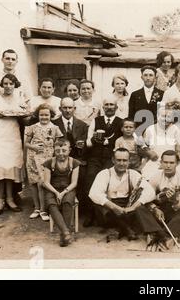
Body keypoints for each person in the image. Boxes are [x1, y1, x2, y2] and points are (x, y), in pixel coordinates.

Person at [89, 148, 168, 245]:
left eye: (125, 160)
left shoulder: (133, 174)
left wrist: (133, 207)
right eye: (119, 160)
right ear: (113, 160)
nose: (122, 163)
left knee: (141, 199)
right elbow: (94, 193)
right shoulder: (105, 174)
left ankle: (157, 232)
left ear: (129, 161)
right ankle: (126, 229)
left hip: (127, 208)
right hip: (109, 211)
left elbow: (150, 191)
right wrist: (114, 207)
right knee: (99, 203)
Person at [0, 74, 24, 215]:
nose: (8, 86)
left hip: (13, 137)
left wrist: (23, 113)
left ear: (15, 85)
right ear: (2, 85)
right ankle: (0, 201)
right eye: (5, 83)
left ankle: (10, 199)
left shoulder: (19, 99)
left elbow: (24, 116)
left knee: (10, 170)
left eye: (11, 84)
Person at [84, 96, 123, 226]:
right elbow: (88, 143)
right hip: (95, 156)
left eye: (112, 105)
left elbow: (130, 137)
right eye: (107, 105)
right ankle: (90, 213)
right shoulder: (96, 121)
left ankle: (105, 215)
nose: (109, 107)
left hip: (111, 158)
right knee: (90, 178)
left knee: (107, 181)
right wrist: (94, 139)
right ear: (103, 107)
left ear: (116, 108)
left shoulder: (121, 122)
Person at [147, 150, 180, 249]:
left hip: (174, 213)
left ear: (177, 164)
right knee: (140, 208)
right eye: (165, 162)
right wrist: (155, 208)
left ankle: (160, 234)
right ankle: (167, 234)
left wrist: (174, 200)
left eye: (171, 163)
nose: (168, 166)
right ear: (161, 162)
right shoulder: (155, 177)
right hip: (159, 212)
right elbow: (147, 199)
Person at [24, 104, 63, 221]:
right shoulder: (32, 127)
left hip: (47, 159)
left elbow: (58, 144)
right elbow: (26, 143)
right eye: (41, 115)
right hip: (32, 158)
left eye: (46, 115)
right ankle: (36, 208)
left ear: (51, 115)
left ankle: (43, 209)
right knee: (33, 183)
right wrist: (34, 147)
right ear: (38, 115)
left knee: (42, 183)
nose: (44, 117)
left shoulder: (55, 128)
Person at [52, 97, 88, 215]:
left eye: (70, 108)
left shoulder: (82, 125)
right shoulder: (54, 124)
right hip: (59, 158)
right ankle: (59, 206)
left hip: (77, 158)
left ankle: (82, 209)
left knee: (83, 174)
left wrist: (81, 147)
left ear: (74, 108)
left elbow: (85, 148)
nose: (67, 110)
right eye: (65, 108)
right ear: (60, 109)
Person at [42, 139, 80, 247]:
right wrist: (56, 193)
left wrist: (63, 193)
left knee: (67, 202)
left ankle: (63, 235)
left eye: (64, 150)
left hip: (68, 189)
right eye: (58, 151)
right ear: (54, 150)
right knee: (51, 204)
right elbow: (46, 182)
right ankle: (65, 232)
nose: (61, 154)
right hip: (52, 189)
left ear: (69, 150)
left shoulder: (74, 163)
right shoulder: (49, 163)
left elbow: (74, 183)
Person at [141, 107, 180, 180]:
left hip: (170, 162)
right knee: (148, 179)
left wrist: (169, 164)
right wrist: (148, 151)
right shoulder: (150, 129)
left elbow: (178, 151)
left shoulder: (176, 130)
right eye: (163, 116)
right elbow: (142, 145)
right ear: (158, 116)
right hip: (154, 161)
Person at [128, 66, 163, 130]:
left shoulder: (162, 94)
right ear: (142, 77)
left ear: (155, 77)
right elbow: (131, 115)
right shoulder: (135, 94)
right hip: (139, 129)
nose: (148, 78)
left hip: (156, 130)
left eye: (151, 75)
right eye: (145, 75)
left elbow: (163, 114)